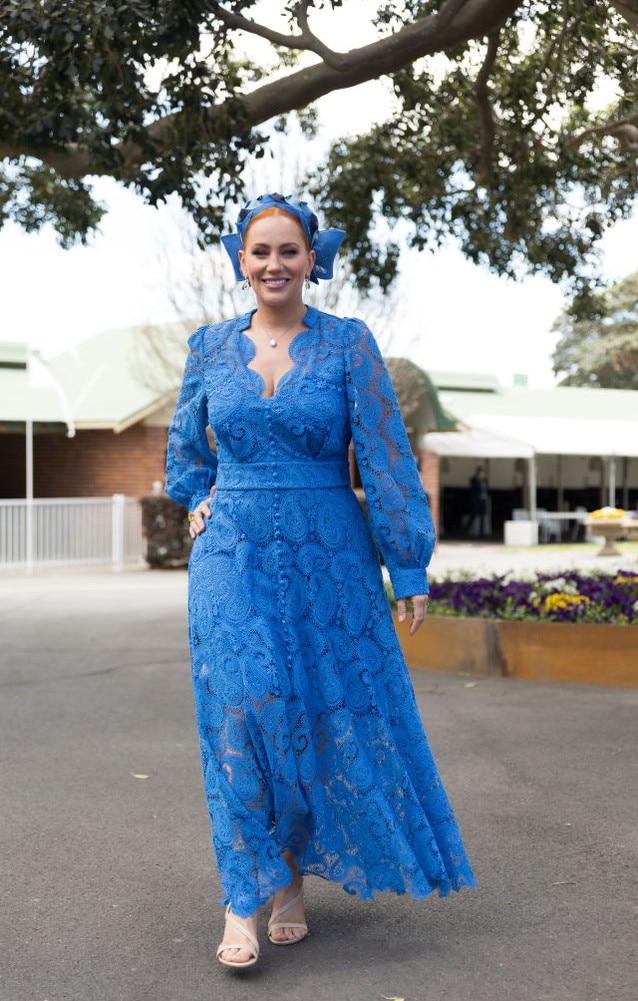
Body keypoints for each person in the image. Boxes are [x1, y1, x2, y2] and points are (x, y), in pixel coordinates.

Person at [165, 192, 475, 969]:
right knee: (245, 703)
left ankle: (291, 875)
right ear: (241, 259)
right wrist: (199, 498)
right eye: (260, 250)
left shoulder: (348, 344)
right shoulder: (207, 346)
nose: (274, 263)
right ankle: (244, 891)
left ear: (312, 260)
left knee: (313, 712)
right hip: (232, 549)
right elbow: (184, 452)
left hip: (329, 553)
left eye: (289, 251)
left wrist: (406, 561)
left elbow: (387, 455)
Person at [468, 466, 490, 538]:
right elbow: (473, 489)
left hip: (483, 500)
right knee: (474, 516)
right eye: (480, 473)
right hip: (476, 501)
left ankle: (482, 533)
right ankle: (471, 531)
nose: (481, 474)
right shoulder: (474, 480)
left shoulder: (485, 480)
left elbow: (487, 489)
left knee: (483, 517)